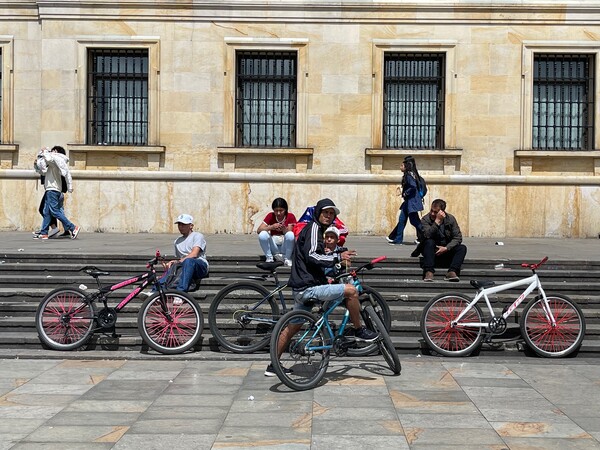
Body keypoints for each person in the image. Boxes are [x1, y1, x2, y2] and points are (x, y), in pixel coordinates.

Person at [265, 198, 378, 377]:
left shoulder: (316, 230)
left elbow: (316, 257)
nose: (328, 216)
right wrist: (337, 259)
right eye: (325, 212)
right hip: (308, 287)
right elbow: (312, 257)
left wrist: (333, 261)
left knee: (293, 327)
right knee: (351, 291)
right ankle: (359, 330)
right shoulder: (315, 229)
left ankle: (273, 366)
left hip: (303, 288)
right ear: (318, 213)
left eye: (331, 213)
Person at [414, 198, 467, 282]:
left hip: (445, 248)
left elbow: (458, 237)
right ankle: (429, 271)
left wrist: (446, 248)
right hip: (431, 249)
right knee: (429, 242)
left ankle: (452, 271)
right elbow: (427, 235)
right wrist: (437, 221)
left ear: (442, 212)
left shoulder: (450, 219)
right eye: (431, 210)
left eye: (435, 212)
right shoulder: (425, 219)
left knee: (462, 248)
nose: (432, 213)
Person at [33, 146, 80, 240]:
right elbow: (42, 171)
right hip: (50, 189)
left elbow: (49, 159)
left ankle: (73, 227)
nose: (51, 152)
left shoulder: (55, 161)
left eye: (53, 151)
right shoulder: (52, 163)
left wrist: (45, 151)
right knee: (46, 211)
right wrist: (38, 161)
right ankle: (44, 232)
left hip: (53, 190)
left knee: (55, 211)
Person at [160, 214, 209, 292]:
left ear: (191, 226)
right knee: (173, 266)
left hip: (199, 265)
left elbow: (194, 254)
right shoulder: (177, 241)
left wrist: (178, 262)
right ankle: (156, 291)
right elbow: (180, 259)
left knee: (188, 261)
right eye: (179, 224)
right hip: (185, 266)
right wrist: (172, 264)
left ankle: (180, 292)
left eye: (183, 224)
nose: (180, 227)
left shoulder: (197, 236)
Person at [387, 155, 425, 245]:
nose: (400, 167)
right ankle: (398, 239)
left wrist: (405, 193)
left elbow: (413, 186)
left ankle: (426, 235)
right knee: (402, 220)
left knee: (414, 221)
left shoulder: (408, 175)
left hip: (411, 202)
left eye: (402, 165)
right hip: (409, 202)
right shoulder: (412, 174)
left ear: (406, 166)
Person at [257, 198, 297, 266]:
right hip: (274, 246)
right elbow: (259, 230)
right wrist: (271, 227)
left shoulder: (290, 216)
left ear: (285, 210)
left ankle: (287, 258)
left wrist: (284, 229)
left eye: (281, 210)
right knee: (262, 234)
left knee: (290, 234)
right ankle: (269, 257)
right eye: (276, 211)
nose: (278, 213)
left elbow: (290, 233)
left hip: (285, 246)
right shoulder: (270, 215)